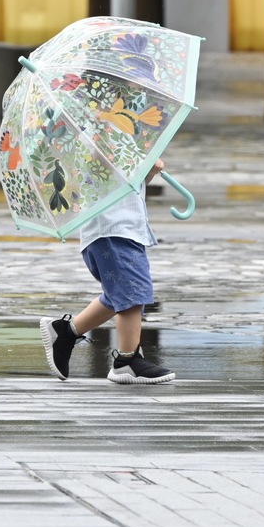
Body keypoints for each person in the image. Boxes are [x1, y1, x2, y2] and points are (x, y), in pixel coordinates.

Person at [39, 158, 175, 384]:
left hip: (126, 227)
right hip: (111, 229)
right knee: (132, 292)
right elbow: (103, 171)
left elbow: (130, 182)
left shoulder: (121, 138)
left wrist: (149, 171)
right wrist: (142, 162)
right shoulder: (98, 138)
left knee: (121, 293)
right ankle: (127, 361)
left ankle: (66, 332)